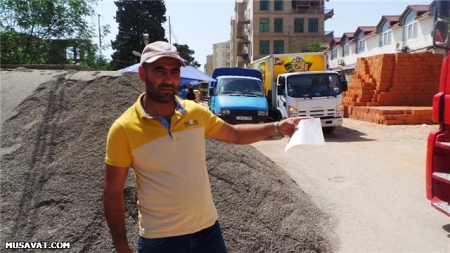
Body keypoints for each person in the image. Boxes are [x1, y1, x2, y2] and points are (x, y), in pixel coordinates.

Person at [103, 41, 310, 253]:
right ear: (142, 74)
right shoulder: (123, 129)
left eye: (174, 72)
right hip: (161, 241)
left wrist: (277, 127)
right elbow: (112, 191)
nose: (168, 79)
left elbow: (235, 133)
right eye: (159, 71)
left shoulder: (195, 113)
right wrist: (121, 246)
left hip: (208, 233)